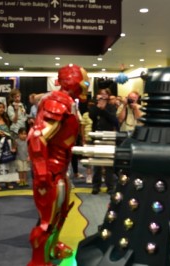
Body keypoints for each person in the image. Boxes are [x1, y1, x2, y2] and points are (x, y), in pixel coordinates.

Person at [27, 64, 90, 265]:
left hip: (61, 170)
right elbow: (36, 138)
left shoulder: (68, 102)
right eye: (85, 81)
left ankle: (53, 247)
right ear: (73, 81)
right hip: (51, 172)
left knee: (60, 215)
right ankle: (38, 260)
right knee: (47, 221)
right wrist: (43, 172)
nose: (87, 86)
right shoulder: (58, 102)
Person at [89, 88, 118, 195]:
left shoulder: (111, 107)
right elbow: (91, 116)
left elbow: (113, 119)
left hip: (108, 136)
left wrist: (103, 109)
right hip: (97, 136)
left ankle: (110, 186)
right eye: (101, 94)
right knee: (97, 163)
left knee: (109, 163)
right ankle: (96, 186)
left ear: (109, 96)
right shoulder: (93, 106)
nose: (103, 96)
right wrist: (98, 107)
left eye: (105, 94)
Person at [81, 101, 94, 183]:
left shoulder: (98, 114)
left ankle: (99, 175)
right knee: (88, 158)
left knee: (98, 157)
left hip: (96, 138)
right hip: (87, 138)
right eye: (89, 105)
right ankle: (89, 175)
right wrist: (83, 138)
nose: (91, 107)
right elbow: (82, 127)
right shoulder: (85, 115)